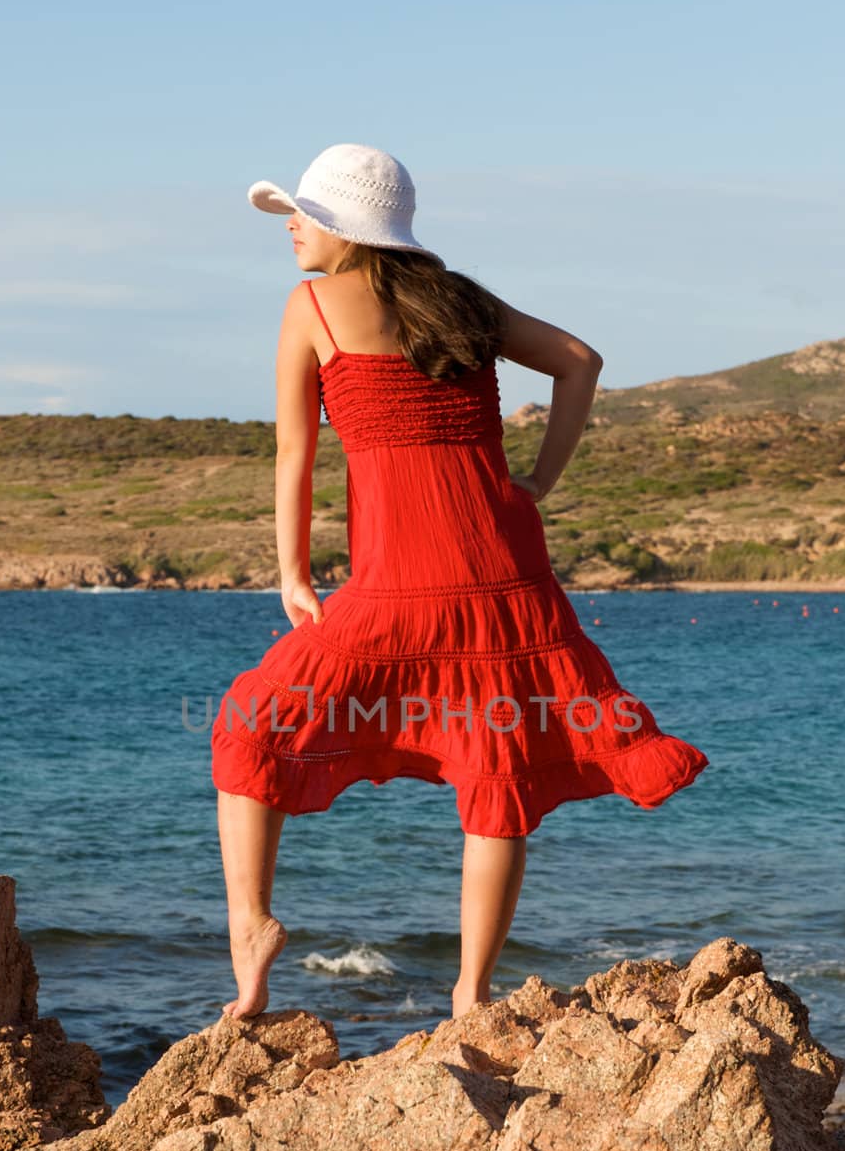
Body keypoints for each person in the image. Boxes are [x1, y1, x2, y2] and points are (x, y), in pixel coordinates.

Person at [212, 143, 709, 1022]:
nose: (289, 228)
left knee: (251, 726)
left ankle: (249, 931)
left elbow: (296, 453)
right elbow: (579, 360)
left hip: (397, 576)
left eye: (302, 214)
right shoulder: (464, 303)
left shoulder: (312, 307)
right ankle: (472, 994)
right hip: (500, 564)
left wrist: (292, 572)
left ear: (343, 229)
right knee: (497, 760)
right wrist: (537, 485)